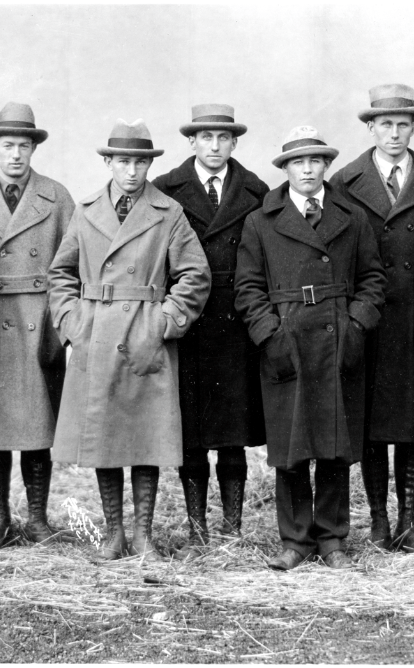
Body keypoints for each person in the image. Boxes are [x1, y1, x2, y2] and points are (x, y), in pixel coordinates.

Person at [47, 119, 211, 562]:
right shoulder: (85, 211)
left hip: (144, 335)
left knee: (144, 439)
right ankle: (113, 535)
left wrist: (164, 321)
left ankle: (143, 537)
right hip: (96, 335)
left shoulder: (167, 212)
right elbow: (60, 273)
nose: (133, 171)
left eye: (141, 162)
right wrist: (72, 322)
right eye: (124, 161)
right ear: (108, 162)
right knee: (104, 438)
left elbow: (195, 274)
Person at [235, 126, 386, 570]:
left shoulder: (352, 217)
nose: (307, 168)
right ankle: (296, 540)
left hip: (338, 339)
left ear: (326, 166)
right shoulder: (261, 221)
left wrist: (356, 324)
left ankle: (333, 539)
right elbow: (247, 289)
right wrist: (270, 335)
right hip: (287, 342)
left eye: (316, 160)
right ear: (284, 169)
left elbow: (374, 280)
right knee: (292, 447)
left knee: (336, 445)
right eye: (298, 162)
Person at [329, 84, 414, 552]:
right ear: (370, 128)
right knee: (371, 424)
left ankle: (407, 521)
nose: (395, 133)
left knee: (409, 420)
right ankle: (379, 522)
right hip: (367, 319)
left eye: (403, 125)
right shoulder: (344, 180)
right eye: (385, 124)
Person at [152, 104, 269, 558]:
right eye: (206, 138)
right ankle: (197, 529)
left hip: (237, 322)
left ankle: (233, 530)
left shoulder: (257, 191)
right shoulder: (166, 190)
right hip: (190, 323)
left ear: (234, 142)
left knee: (233, 432)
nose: (215, 146)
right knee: (194, 433)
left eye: (223, 138)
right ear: (192, 143)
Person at [0, 102, 76, 548]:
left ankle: (38, 518)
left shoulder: (56, 196)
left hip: (38, 321)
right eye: (7, 145)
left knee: (36, 426)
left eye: (23, 146)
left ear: (33, 149)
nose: (15, 155)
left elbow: (72, 263)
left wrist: (63, 325)